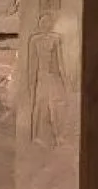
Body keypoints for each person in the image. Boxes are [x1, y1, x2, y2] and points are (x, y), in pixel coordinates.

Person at [27, 13, 69, 147]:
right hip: (41, 76)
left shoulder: (56, 39)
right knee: (40, 106)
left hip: (53, 76)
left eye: (47, 22)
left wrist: (65, 80)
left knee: (58, 106)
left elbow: (60, 61)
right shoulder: (35, 40)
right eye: (42, 22)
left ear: (51, 24)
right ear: (40, 25)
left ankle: (59, 136)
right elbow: (32, 62)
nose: (45, 25)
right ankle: (37, 136)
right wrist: (31, 80)